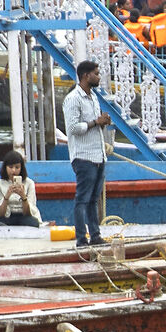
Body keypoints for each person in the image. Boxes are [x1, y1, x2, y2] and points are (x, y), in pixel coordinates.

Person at [62, 56, 114, 248]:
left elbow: (93, 125)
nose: (99, 77)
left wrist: (102, 122)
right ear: (86, 76)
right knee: (82, 199)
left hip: (98, 155)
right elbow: (73, 128)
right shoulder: (73, 99)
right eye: (96, 74)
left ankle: (95, 235)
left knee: (93, 199)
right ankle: (81, 239)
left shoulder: (93, 98)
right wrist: (95, 122)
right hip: (83, 157)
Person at [0, 153, 41, 230]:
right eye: (10, 167)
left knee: (34, 223)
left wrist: (23, 196)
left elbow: (28, 213)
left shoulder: (29, 183)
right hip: (7, 217)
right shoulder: (0, 184)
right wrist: (6, 197)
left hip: (24, 217)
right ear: (5, 168)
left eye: (17, 167)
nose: (13, 170)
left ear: (21, 168)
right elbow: (1, 214)